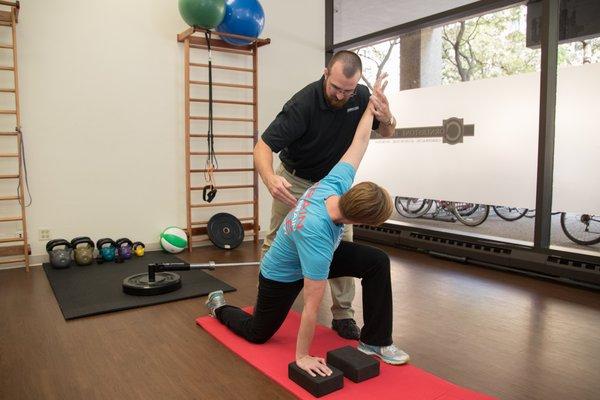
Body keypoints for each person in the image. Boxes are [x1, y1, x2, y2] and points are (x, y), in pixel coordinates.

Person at [205, 75, 410, 377]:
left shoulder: (337, 182)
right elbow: (312, 305)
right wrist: (302, 356)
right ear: (358, 220)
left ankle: (375, 341)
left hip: (315, 247)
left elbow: (361, 141)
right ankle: (219, 306)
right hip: (282, 274)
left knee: (377, 261)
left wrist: (372, 104)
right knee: (257, 332)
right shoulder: (317, 236)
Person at [253, 50, 396, 340]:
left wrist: (388, 115)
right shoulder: (302, 104)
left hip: (333, 181)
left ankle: (343, 315)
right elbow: (263, 147)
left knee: (342, 242)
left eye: (349, 90)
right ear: (325, 73)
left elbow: (385, 132)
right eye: (336, 88)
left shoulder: (360, 95)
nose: (342, 95)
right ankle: (266, 304)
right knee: (277, 239)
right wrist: (270, 179)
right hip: (295, 178)